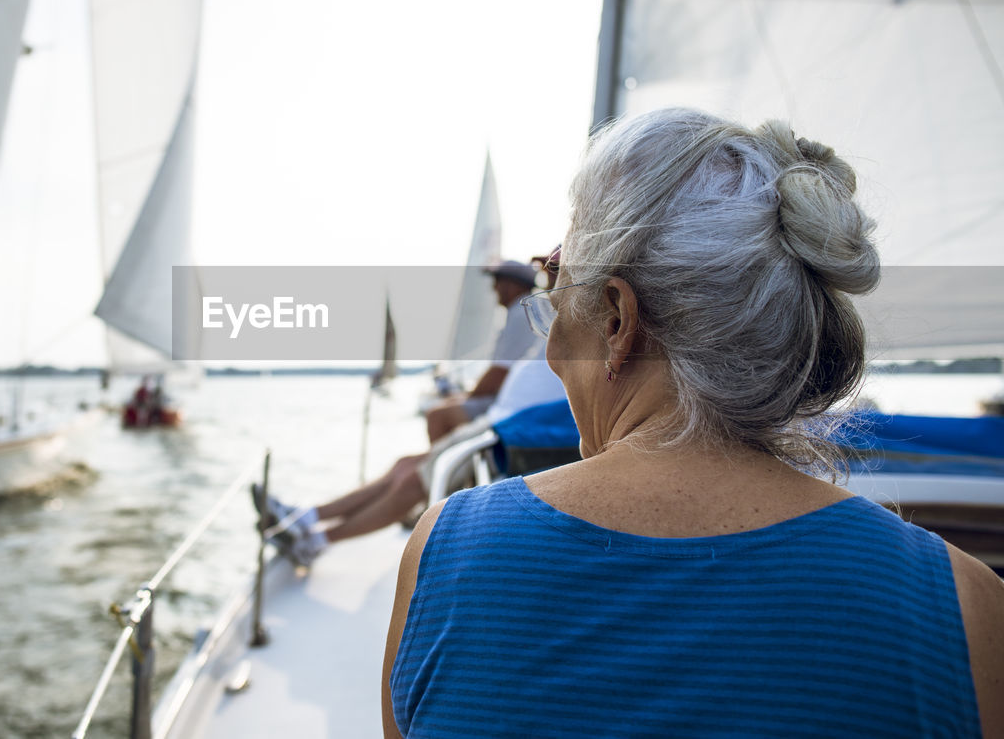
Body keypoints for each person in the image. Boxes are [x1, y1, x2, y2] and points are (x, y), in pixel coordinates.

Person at [383, 109, 1004, 737]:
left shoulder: (449, 554)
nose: (551, 347)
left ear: (617, 319)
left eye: (558, 297)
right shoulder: (964, 606)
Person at [254, 250, 567, 566]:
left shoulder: (533, 313)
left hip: (509, 429)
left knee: (410, 477)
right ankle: (307, 518)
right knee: (404, 465)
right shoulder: (545, 314)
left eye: (556, 269)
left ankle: (315, 539)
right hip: (503, 422)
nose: (548, 277)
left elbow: (500, 375)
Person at [424, 259, 542, 443]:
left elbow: (498, 374)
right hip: (515, 399)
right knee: (446, 407)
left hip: (511, 404)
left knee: (437, 416)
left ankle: (442, 465)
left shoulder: (521, 313)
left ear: (511, 285)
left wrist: (467, 396)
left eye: (497, 282)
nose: (493, 289)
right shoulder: (528, 310)